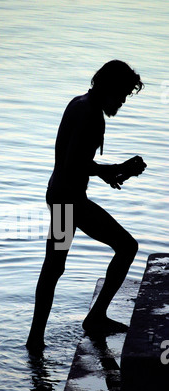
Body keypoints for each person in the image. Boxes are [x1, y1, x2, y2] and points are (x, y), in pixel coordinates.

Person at [26, 60, 146, 353]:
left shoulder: (80, 104)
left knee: (54, 267)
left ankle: (36, 339)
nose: (122, 101)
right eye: (121, 94)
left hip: (63, 195)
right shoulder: (90, 114)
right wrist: (111, 169)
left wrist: (112, 172)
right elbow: (73, 164)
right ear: (108, 86)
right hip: (68, 200)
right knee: (126, 247)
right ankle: (93, 319)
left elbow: (75, 162)